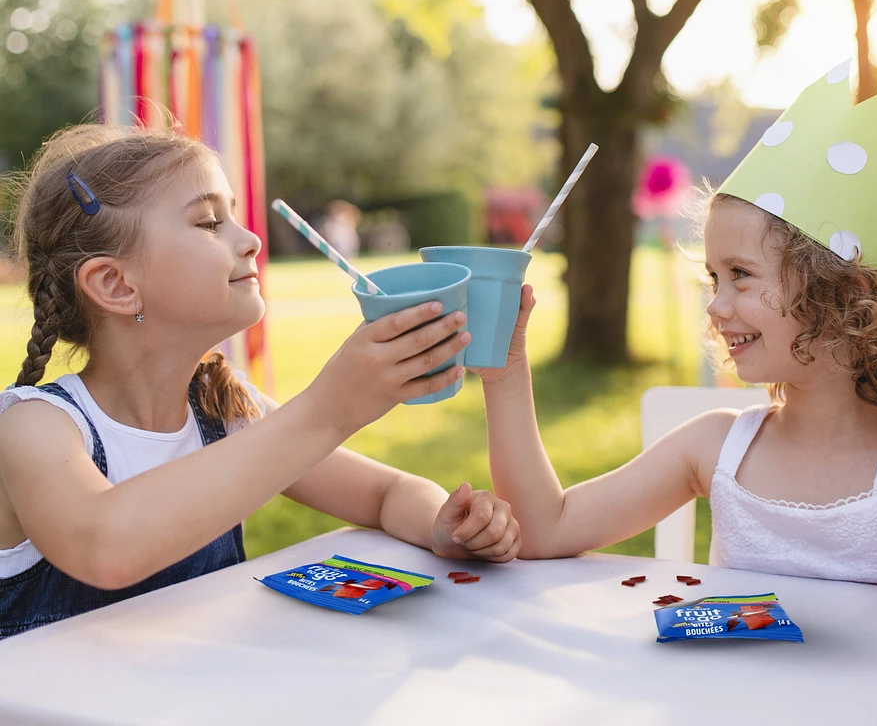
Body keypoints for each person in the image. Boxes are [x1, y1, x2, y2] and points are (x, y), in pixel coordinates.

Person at [480, 65, 877, 640]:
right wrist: (506, 372)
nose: (716, 307)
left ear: (846, 296)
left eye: (741, 276)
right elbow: (543, 529)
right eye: (712, 279)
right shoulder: (715, 446)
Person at [0, 124, 519, 638]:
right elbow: (104, 549)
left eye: (233, 216)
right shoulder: (32, 428)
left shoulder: (224, 410)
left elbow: (386, 494)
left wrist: (441, 525)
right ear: (115, 284)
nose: (249, 240)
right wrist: (328, 409)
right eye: (207, 222)